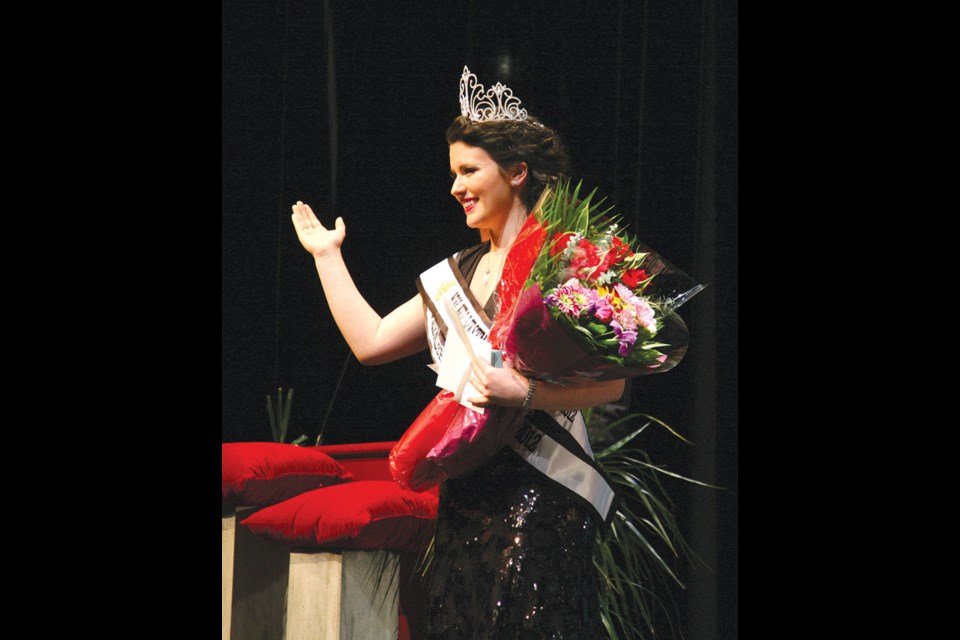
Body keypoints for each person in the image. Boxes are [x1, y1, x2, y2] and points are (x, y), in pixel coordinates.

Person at [292, 66, 622, 639]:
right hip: (465, 492)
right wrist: (326, 257)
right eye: (453, 173)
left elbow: (615, 384)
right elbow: (369, 343)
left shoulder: (565, 260)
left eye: (469, 171)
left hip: (542, 492)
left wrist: (528, 392)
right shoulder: (455, 275)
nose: (455, 187)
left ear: (517, 172)